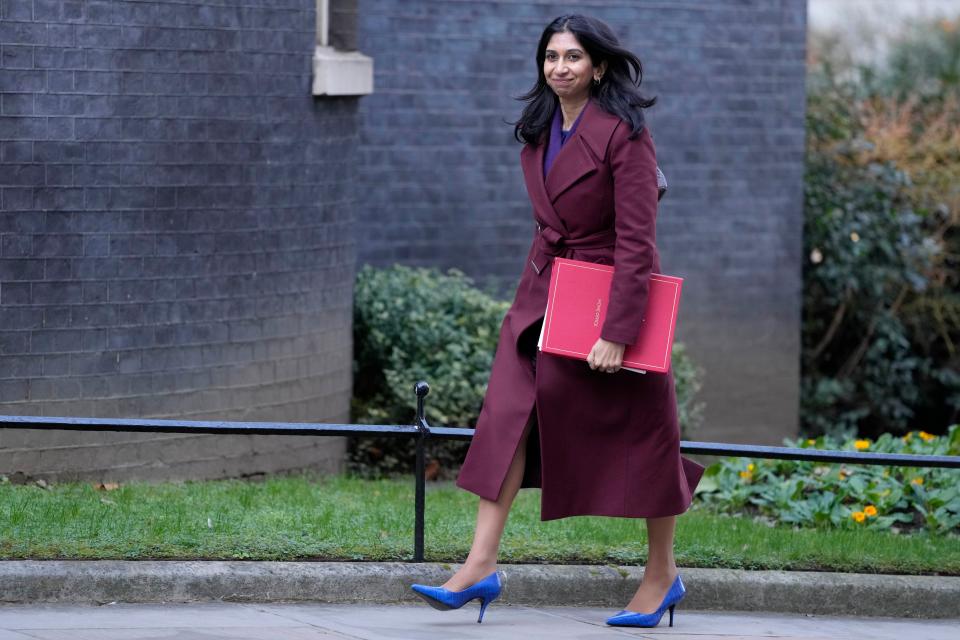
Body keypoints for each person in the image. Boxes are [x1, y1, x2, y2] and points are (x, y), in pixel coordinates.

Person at [410, 13, 705, 627]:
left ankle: (662, 576)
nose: (559, 67)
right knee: (508, 419)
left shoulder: (625, 135)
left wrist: (618, 333)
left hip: (609, 303)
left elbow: (638, 244)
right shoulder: (541, 128)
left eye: (573, 57)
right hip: (543, 295)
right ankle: (479, 564)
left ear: (598, 67)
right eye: (550, 57)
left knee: (648, 438)